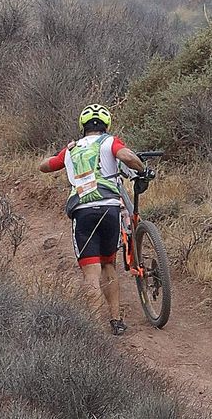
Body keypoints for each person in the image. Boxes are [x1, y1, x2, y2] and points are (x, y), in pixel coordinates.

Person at [39, 104, 148, 336]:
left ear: (82, 126)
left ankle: (96, 331)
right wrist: (143, 168)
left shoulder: (72, 149)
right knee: (109, 265)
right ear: (106, 125)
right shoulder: (110, 142)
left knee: (91, 273)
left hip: (83, 211)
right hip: (110, 209)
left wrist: (65, 152)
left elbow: (45, 166)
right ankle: (116, 321)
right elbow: (127, 157)